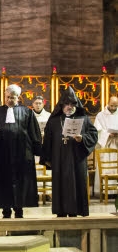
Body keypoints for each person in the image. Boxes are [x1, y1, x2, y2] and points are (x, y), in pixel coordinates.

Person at [41, 87, 97, 217]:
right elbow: (47, 140)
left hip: (76, 158)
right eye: (66, 104)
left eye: (72, 104)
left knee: (77, 182)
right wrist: (47, 158)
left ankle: (76, 210)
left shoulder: (83, 118)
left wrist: (83, 138)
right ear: (62, 105)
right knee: (60, 184)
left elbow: (93, 134)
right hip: (59, 158)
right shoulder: (54, 121)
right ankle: (61, 211)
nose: (69, 107)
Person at [0, 84, 42, 219]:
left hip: (22, 154)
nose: (9, 100)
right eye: (7, 97)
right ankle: (5, 211)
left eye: (12, 97)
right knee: (3, 182)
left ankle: (19, 211)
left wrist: (36, 151)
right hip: (2, 153)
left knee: (21, 182)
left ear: (18, 97)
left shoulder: (27, 112)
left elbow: (34, 133)